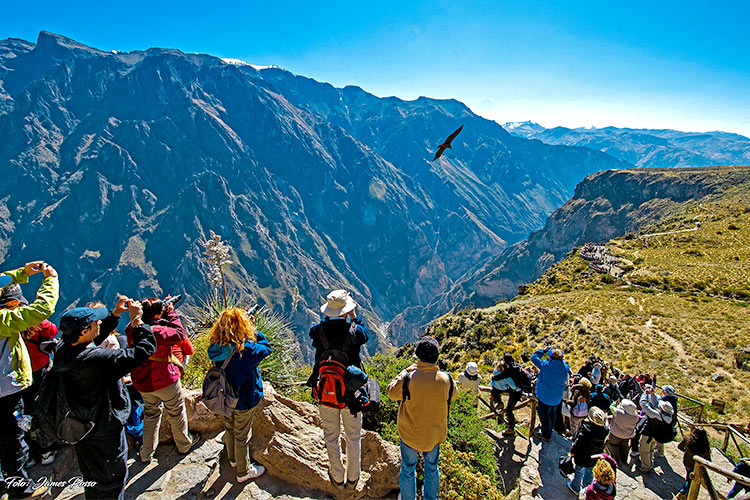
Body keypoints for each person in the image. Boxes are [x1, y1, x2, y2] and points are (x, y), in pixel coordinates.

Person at [54, 299, 156, 499]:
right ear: (84, 331)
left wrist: (115, 314)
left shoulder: (63, 351)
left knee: (93, 477)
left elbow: (93, 337)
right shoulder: (98, 361)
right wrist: (138, 322)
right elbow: (143, 350)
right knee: (112, 480)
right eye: (94, 323)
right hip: (104, 427)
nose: (99, 324)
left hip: (81, 425)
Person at [0, 262, 58, 500]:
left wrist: (23, 273)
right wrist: (50, 279)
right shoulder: (4, 321)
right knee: (10, 435)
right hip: (4, 390)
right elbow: (41, 310)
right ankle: (20, 489)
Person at [306, 290, 370, 490]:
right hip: (351, 394)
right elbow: (365, 334)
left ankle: (337, 476)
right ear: (347, 309)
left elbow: (314, 333)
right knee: (352, 437)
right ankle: (353, 478)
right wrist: (354, 316)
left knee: (331, 437)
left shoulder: (318, 331)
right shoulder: (354, 331)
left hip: (326, 390)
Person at [126, 297, 196, 464]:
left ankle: (146, 453)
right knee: (176, 411)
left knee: (151, 414)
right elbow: (179, 334)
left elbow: (142, 324)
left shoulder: (132, 328)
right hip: (164, 379)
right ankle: (183, 445)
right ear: (158, 314)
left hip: (142, 381)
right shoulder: (159, 331)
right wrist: (171, 313)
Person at [386, 336, 456, 500]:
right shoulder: (446, 380)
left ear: (417, 356)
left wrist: (404, 372)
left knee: (408, 468)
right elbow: (453, 396)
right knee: (432, 467)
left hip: (410, 433)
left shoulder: (408, 378)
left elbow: (391, 393)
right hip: (434, 434)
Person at [207, 307, 272, 482]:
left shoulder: (216, 345)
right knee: (242, 435)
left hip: (224, 395)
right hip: (244, 397)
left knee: (229, 426)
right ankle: (243, 472)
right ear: (243, 326)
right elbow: (266, 348)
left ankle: (233, 459)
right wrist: (254, 330)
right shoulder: (247, 350)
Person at [7, 284, 60, 469]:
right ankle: (48, 449)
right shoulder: (33, 320)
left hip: (15, 377)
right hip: (39, 371)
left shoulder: (5, 323)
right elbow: (52, 330)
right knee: (44, 408)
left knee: (23, 413)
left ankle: (29, 454)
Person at [531, 347, 570, 442]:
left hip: (545, 396)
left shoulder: (545, 365)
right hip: (557, 397)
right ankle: (551, 429)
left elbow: (534, 357)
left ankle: (546, 435)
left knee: (544, 416)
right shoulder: (565, 368)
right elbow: (565, 364)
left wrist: (544, 351)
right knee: (552, 414)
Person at [568, 407, 609, 496]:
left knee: (579, 471)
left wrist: (572, 450)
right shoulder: (605, 431)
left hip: (582, 455)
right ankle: (587, 488)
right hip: (595, 455)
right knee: (590, 471)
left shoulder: (586, 428)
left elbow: (579, 442)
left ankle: (575, 487)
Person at [491, 353, 530, 436]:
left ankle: (511, 429)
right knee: (509, 409)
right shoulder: (515, 366)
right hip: (516, 389)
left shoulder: (509, 369)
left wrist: (493, 379)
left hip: (516, 391)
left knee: (509, 410)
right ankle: (509, 425)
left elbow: (504, 377)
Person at [638, 400, 675, 474]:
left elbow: (643, 404)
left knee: (644, 450)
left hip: (648, 434)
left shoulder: (656, 415)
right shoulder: (669, 417)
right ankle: (650, 463)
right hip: (656, 436)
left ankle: (645, 467)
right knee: (651, 449)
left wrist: (646, 394)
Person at [675, 427, 711, 499]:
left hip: (687, 462)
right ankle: (683, 492)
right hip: (696, 465)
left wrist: (686, 451)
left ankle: (685, 492)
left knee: (689, 476)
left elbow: (680, 447)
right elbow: (708, 459)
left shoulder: (688, 439)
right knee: (690, 479)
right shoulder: (704, 445)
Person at [605, 399, 638, 465]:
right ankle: (624, 459)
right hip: (627, 435)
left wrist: (615, 403)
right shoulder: (635, 416)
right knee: (624, 447)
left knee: (613, 446)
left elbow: (611, 407)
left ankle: (617, 460)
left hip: (615, 434)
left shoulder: (618, 413)